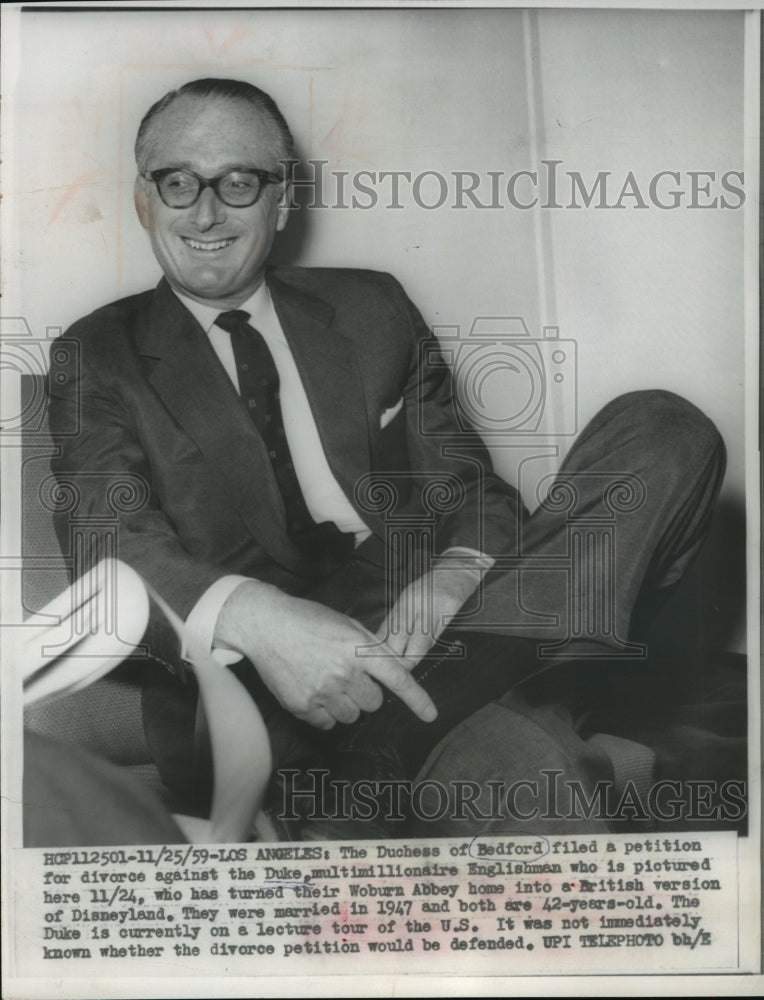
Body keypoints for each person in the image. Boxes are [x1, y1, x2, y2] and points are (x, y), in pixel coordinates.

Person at [46, 78, 726, 838]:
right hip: (267, 688)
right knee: (537, 783)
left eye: (238, 182)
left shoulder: (373, 307)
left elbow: (470, 489)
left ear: (283, 200)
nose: (205, 212)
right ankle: (493, 692)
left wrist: (458, 572)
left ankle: (400, 740)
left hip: (443, 627)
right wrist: (267, 622)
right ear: (145, 200)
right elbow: (106, 541)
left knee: (666, 429)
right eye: (177, 182)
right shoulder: (99, 352)